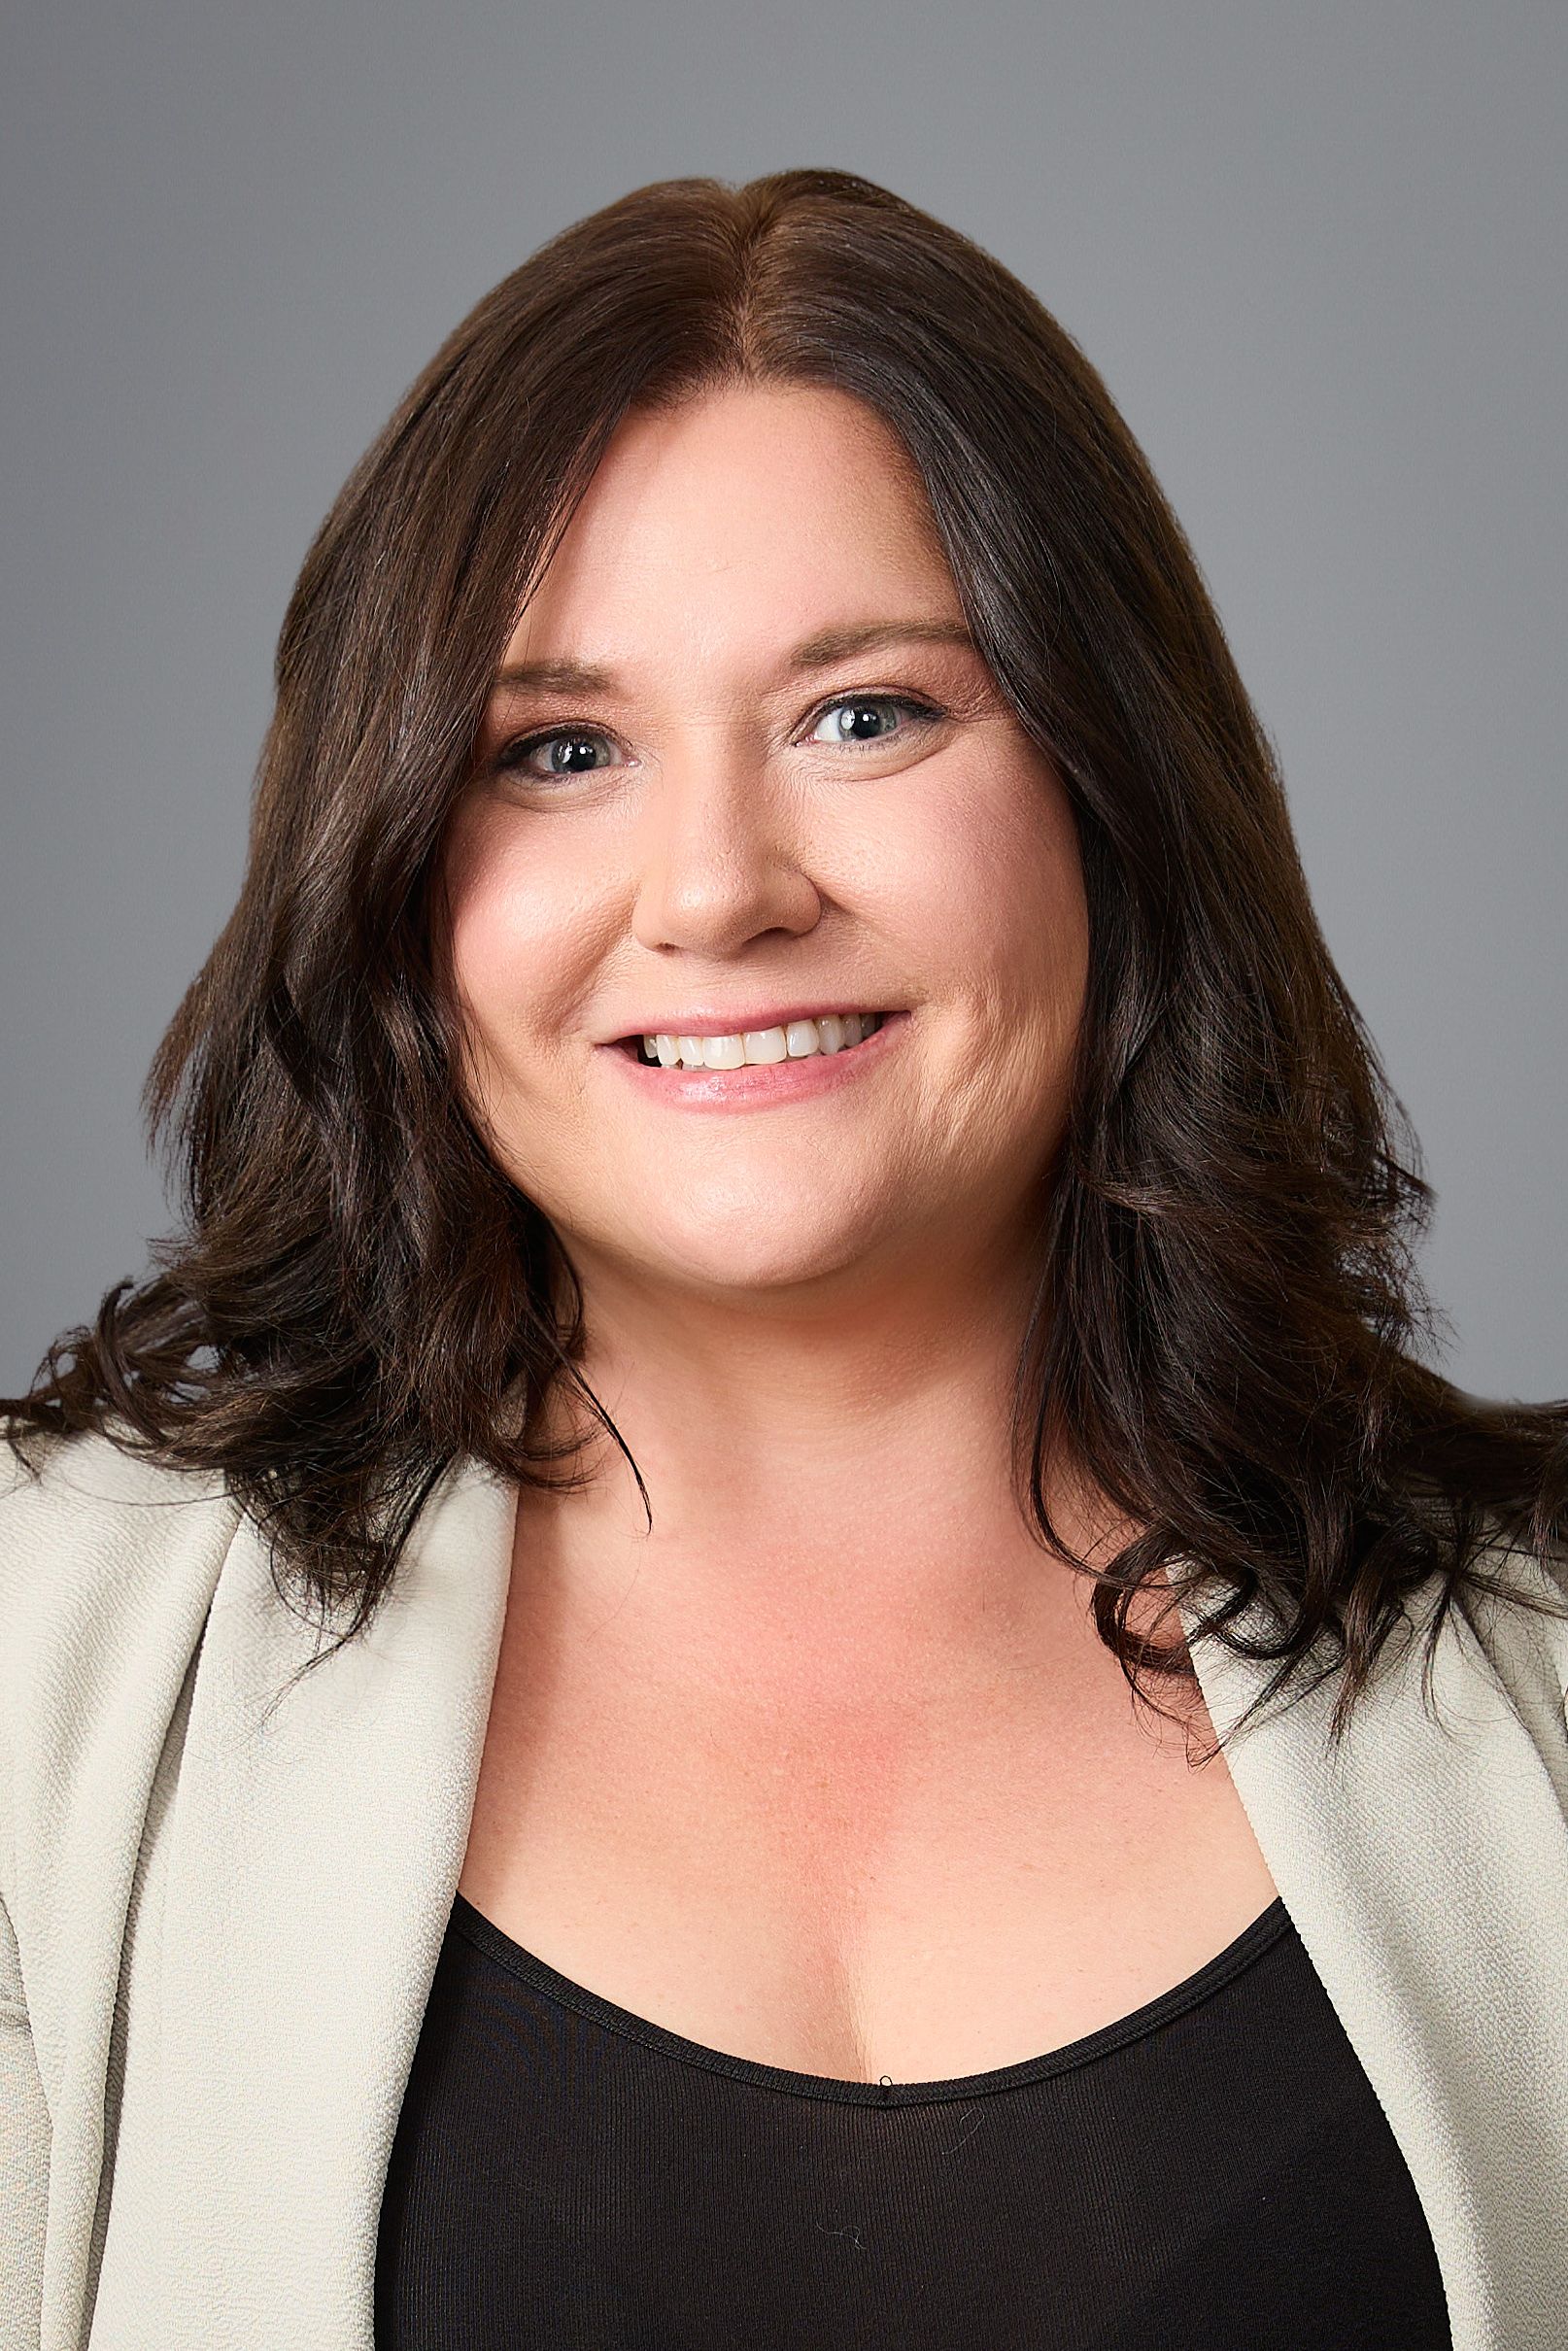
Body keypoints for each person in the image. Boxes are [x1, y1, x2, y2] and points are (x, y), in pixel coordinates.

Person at [2, 167, 1564, 2351]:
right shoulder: (38, 1667)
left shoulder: (1543, 1680)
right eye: (559, 751)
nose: (720, 886)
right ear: (395, 872)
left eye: (868, 714)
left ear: (1115, 786)